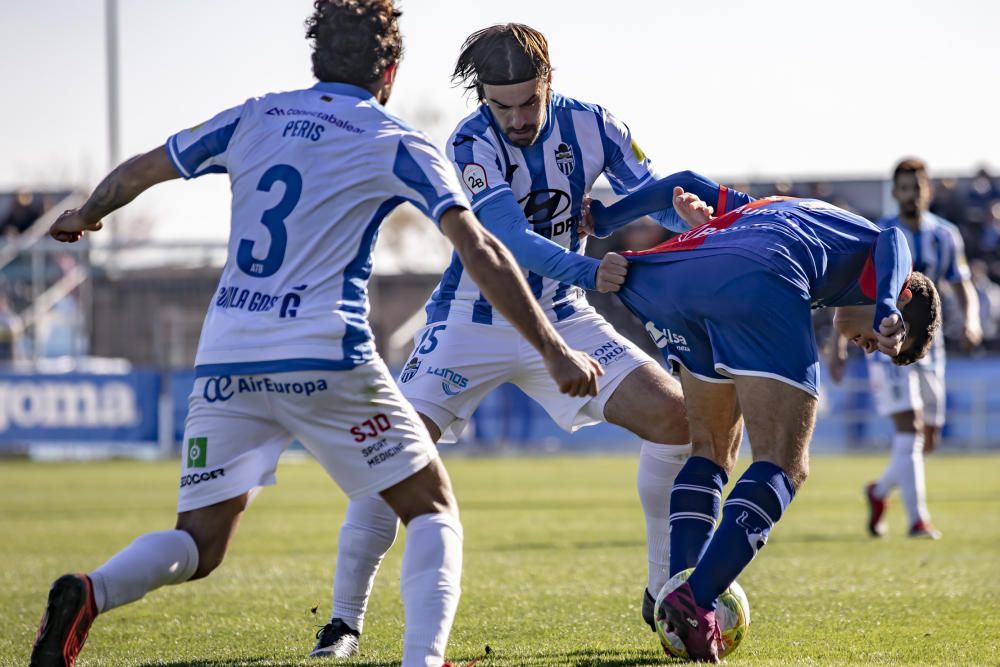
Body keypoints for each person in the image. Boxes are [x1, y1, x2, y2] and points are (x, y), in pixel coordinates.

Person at [28, 3, 601, 667]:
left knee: (199, 545)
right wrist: (554, 348)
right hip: (323, 351)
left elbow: (140, 170)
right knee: (431, 507)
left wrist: (84, 213)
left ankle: (90, 591)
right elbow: (483, 249)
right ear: (389, 69)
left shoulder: (254, 115)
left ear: (316, 60)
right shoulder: (395, 137)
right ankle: (423, 659)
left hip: (226, 358)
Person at [312, 23, 693, 657]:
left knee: (679, 421)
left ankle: (659, 592)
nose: (516, 119)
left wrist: (688, 220)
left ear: (550, 82)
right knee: (391, 461)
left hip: (565, 318)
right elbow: (507, 242)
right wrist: (589, 265)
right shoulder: (468, 140)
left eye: (528, 102)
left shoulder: (597, 125)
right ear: (481, 96)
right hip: (468, 324)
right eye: (501, 105)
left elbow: (649, 193)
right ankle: (344, 622)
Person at [589, 169, 941, 662]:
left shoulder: (776, 210)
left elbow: (690, 181)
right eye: (880, 343)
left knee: (710, 450)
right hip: (758, 278)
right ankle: (695, 601)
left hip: (664, 275)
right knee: (784, 463)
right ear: (903, 295)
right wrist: (885, 303)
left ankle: (678, 593)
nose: (868, 346)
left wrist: (608, 216)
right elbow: (895, 237)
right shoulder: (878, 266)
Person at [828, 158, 980, 539]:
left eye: (918, 187)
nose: (912, 194)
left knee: (927, 439)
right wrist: (838, 345)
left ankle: (878, 492)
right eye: (905, 188)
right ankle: (918, 520)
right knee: (908, 428)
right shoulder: (881, 232)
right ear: (895, 192)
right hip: (887, 343)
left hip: (932, 347)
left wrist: (972, 319)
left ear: (928, 190)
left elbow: (961, 285)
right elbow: (848, 294)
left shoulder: (946, 235)